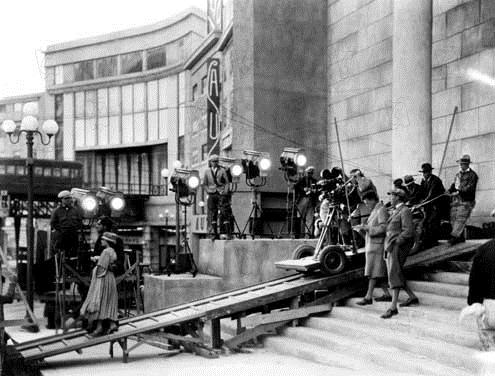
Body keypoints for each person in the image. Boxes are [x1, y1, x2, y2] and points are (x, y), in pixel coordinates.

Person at [381, 188, 419, 319]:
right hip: (391, 246)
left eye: (391, 196)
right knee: (397, 272)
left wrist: (397, 242)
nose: (390, 198)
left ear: (398, 197)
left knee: (394, 273)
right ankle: (412, 297)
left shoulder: (405, 211)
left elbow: (408, 231)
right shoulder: (396, 210)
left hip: (397, 246)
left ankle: (393, 307)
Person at [353, 191, 392, 305]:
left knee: (373, 273)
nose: (367, 205)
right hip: (372, 245)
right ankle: (387, 294)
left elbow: (384, 227)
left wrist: (368, 229)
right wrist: (363, 229)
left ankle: (368, 296)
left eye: (367, 202)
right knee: (376, 272)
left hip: (377, 246)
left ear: (373, 200)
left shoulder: (381, 210)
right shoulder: (375, 210)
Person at [80, 231, 119, 336]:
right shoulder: (112, 251)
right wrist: (99, 259)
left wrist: (95, 262)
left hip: (103, 279)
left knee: (100, 301)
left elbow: (101, 268)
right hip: (110, 278)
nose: (101, 241)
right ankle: (112, 325)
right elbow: (109, 264)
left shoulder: (106, 252)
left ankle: (99, 328)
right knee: (108, 301)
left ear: (107, 241)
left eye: (103, 240)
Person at [448, 154, 478, 245]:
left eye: (463, 164)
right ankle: (459, 237)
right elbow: (454, 185)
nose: (462, 165)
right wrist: (450, 190)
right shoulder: (458, 174)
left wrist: (458, 191)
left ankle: (454, 236)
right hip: (456, 200)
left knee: (460, 218)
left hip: (466, 200)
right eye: (461, 164)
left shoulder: (473, 175)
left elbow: (470, 188)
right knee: (453, 217)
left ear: (468, 164)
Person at [418, 163, 447, 249]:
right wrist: (417, 201)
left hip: (437, 205)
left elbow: (431, 195)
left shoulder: (436, 180)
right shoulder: (424, 181)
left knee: (433, 222)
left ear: (430, 172)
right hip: (428, 205)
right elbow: (421, 192)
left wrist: (422, 202)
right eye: (423, 172)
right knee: (426, 222)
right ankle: (427, 241)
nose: (424, 174)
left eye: (426, 172)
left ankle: (434, 242)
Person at [202, 154, 230, 240]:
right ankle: (213, 233)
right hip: (212, 193)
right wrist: (208, 191)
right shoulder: (207, 171)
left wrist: (225, 191)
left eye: (216, 161)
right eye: (213, 161)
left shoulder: (222, 170)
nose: (215, 163)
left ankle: (225, 232)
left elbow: (227, 182)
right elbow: (205, 184)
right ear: (210, 162)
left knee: (223, 212)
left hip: (220, 193)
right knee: (212, 213)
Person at [50, 190, 83, 258]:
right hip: (62, 236)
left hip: (73, 235)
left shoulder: (75, 210)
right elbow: (53, 223)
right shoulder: (57, 211)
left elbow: (80, 221)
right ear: (62, 200)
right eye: (66, 198)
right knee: (61, 254)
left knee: (73, 254)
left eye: (70, 198)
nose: (69, 200)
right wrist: (61, 229)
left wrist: (75, 229)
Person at [294, 166, 318, 238]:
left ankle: (308, 235)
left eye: (311, 173)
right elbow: (296, 187)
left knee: (309, 218)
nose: (310, 174)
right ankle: (299, 234)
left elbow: (317, 190)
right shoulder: (301, 180)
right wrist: (303, 189)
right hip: (302, 199)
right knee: (300, 217)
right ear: (306, 172)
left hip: (310, 200)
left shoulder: (314, 181)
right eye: (308, 172)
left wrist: (313, 191)